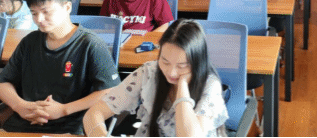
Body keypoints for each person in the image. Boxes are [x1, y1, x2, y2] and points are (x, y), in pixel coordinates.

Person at [0, 0, 120, 134]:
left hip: (69, 125)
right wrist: (20, 106)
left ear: (67, 7)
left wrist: (63, 109)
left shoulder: (90, 44)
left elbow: (110, 90)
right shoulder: (29, 41)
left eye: (46, 12)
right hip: (25, 120)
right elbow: (4, 81)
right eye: (34, 13)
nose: (39, 19)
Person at [83, 19, 229, 137]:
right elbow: (94, 113)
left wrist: (183, 87)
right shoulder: (150, 71)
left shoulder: (210, 85)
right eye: (165, 61)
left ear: (197, 62)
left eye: (182, 66)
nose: (171, 73)